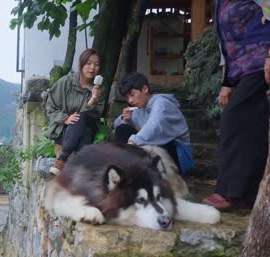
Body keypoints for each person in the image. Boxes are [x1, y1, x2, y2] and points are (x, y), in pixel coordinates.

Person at [202, 0, 270, 210]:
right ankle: (247, 195)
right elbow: (226, 45)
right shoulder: (220, 2)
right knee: (254, 128)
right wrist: (227, 83)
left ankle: (229, 191)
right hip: (241, 69)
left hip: (260, 62)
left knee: (234, 118)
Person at [113, 72, 194, 174]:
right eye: (127, 97)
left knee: (145, 137)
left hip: (177, 154)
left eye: (132, 95)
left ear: (145, 89)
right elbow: (117, 125)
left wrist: (133, 141)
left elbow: (155, 125)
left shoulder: (161, 103)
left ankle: (131, 170)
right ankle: (125, 170)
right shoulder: (138, 108)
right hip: (156, 149)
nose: (130, 100)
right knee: (122, 129)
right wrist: (124, 119)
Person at [45, 48, 105, 175]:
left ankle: (62, 159)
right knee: (80, 122)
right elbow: (50, 107)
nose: (92, 67)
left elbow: (96, 114)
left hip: (87, 127)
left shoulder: (98, 90)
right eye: (88, 63)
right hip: (65, 130)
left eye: (97, 64)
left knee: (82, 118)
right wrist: (65, 118)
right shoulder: (65, 82)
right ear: (81, 64)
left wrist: (93, 99)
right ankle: (79, 167)